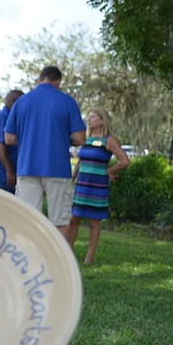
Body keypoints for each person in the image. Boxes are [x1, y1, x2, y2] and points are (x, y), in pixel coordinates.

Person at [4, 66, 86, 237]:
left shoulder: (22, 102)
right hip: (57, 168)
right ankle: (58, 254)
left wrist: (28, 138)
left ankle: (30, 253)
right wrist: (62, 139)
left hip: (27, 167)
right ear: (58, 81)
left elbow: (9, 138)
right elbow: (80, 139)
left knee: (28, 219)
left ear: (40, 79)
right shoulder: (67, 101)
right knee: (60, 221)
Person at [66, 107, 130, 263]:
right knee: (74, 219)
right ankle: (68, 253)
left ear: (102, 121)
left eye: (93, 117)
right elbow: (80, 161)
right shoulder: (86, 139)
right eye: (88, 117)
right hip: (82, 184)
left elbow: (125, 161)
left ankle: (89, 257)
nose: (89, 120)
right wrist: (72, 177)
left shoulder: (109, 140)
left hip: (98, 186)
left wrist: (109, 171)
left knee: (93, 221)